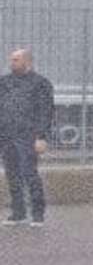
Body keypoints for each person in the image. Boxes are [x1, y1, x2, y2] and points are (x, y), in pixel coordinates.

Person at [0, 48, 54, 228]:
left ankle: (38, 214)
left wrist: (41, 136)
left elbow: (46, 111)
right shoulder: (4, 82)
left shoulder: (40, 83)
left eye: (16, 60)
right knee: (12, 174)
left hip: (28, 136)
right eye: (11, 60)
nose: (12, 63)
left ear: (27, 62)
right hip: (7, 135)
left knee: (29, 173)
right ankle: (18, 212)